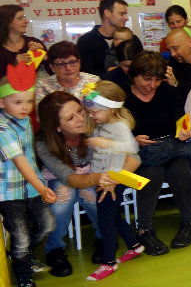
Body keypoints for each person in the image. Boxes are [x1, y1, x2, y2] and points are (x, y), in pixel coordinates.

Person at [36, 91, 138, 277]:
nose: (81, 118)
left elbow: (134, 158)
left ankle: (104, 238)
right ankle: (54, 249)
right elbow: (68, 178)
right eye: (70, 118)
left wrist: (114, 178)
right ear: (57, 126)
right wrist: (98, 178)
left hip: (97, 173)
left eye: (79, 111)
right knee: (63, 198)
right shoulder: (44, 143)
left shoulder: (97, 122)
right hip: (65, 178)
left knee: (93, 196)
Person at [124, 51, 191, 256]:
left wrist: (183, 133)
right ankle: (144, 229)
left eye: (157, 80)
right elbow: (116, 129)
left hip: (171, 146)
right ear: (134, 75)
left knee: (181, 168)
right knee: (151, 172)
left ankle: (189, 223)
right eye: (147, 79)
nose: (152, 85)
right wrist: (133, 140)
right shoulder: (123, 97)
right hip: (140, 152)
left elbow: (180, 123)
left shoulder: (168, 92)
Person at [0, 63, 56, 287]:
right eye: (18, 102)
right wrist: (42, 188)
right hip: (9, 193)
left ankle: (22, 254)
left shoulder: (24, 121)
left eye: (29, 101)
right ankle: (23, 273)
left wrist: (38, 185)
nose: (25, 107)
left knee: (46, 224)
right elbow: (20, 161)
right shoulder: (2, 128)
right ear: (1, 102)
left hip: (31, 187)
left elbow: (30, 157)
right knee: (21, 235)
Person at [82, 81, 144, 281]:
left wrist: (108, 143)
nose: (92, 116)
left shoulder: (119, 126)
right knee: (111, 215)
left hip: (113, 179)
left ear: (110, 108)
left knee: (105, 220)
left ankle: (108, 262)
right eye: (90, 112)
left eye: (95, 112)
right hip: (103, 178)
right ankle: (134, 245)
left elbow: (132, 147)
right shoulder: (101, 124)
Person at [35, 41, 99, 106]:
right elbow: (43, 111)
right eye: (61, 64)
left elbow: (102, 108)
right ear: (52, 67)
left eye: (72, 62)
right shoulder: (43, 86)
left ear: (79, 62)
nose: (68, 68)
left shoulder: (94, 81)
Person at [77, 0, 129, 76]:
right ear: (107, 13)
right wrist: (109, 71)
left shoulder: (131, 39)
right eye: (121, 14)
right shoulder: (85, 41)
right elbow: (84, 73)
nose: (126, 18)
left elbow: (140, 68)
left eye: (125, 14)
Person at [0, 5, 47, 80]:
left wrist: (45, 57)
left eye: (24, 17)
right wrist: (15, 66)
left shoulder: (35, 42)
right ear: (6, 22)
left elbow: (54, 73)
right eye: (20, 18)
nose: (26, 21)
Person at [164, 28, 191, 101]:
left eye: (175, 48)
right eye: (169, 50)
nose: (172, 54)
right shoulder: (172, 66)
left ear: (190, 43)